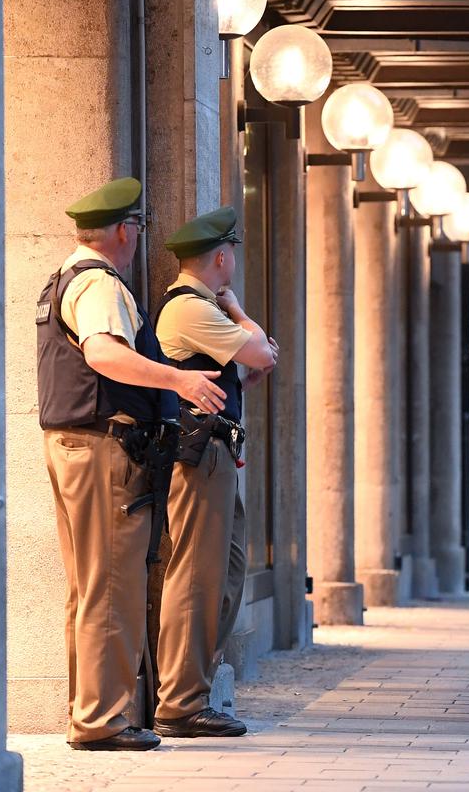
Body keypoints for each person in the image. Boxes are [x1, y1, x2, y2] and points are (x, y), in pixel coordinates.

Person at [37, 177, 226, 751]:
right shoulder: (98, 283)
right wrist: (179, 378)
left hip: (75, 444)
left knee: (92, 586)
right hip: (102, 447)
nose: (140, 238)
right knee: (113, 584)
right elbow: (102, 352)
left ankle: (93, 710)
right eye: (139, 228)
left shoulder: (63, 279)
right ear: (125, 231)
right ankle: (102, 719)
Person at [153, 206, 278, 738]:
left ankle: (196, 688)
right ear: (221, 258)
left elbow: (256, 360)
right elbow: (262, 352)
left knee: (225, 569)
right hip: (198, 454)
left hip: (217, 451)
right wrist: (240, 310)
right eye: (232, 257)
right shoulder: (190, 308)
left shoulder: (203, 307)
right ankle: (180, 701)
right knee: (197, 574)